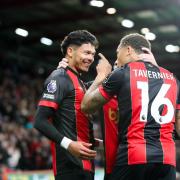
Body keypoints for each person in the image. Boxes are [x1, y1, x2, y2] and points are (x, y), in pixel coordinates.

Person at [81, 33, 180, 180]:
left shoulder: (123, 73)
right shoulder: (173, 79)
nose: (118, 59)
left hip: (134, 155)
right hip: (167, 159)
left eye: (118, 53)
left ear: (128, 50)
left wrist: (101, 76)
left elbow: (86, 106)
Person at [57, 47, 158, 180]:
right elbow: (73, 89)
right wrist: (62, 72)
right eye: (115, 65)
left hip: (142, 162)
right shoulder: (100, 92)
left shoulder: (148, 92)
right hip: (114, 167)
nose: (119, 67)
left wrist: (155, 67)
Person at [34, 30, 99, 180]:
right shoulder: (60, 78)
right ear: (70, 51)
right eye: (86, 53)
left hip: (85, 166)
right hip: (69, 168)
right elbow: (39, 120)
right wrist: (69, 144)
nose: (90, 58)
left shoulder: (80, 83)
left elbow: (74, 123)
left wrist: (94, 142)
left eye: (93, 54)